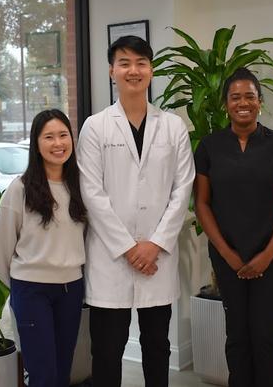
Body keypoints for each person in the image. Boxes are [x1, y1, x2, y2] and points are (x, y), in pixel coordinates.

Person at [77, 35, 194, 387]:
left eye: (141, 63)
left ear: (151, 70)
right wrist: (130, 248)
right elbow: (91, 193)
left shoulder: (172, 126)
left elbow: (182, 188)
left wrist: (154, 244)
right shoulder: (95, 127)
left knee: (157, 346)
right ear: (112, 70)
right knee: (107, 351)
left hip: (156, 259)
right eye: (125, 63)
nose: (134, 70)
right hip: (111, 259)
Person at [194, 67, 273, 387]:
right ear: (226, 104)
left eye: (250, 96)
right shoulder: (210, 147)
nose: (243, 103)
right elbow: (202, 203)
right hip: (228, 257)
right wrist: (227, 254)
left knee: (266, 335)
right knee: (237, 335)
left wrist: (268, 255)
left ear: (260, 101)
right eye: (235, 97)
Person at [0, 109, 86, 387]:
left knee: (62, 372)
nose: (58, 143)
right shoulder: (20, 189)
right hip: (32, 290)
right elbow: (1, 246)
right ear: (36, 143)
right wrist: (19, 289)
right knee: (43, 375)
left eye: (63, 135)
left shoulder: (79, 185)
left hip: (71, 289)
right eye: (49, 137)